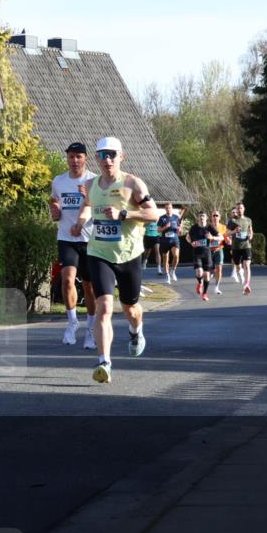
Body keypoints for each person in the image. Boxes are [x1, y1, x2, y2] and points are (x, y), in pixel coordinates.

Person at [73, 137, 159, 384]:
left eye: (112, 155)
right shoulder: (90, 184)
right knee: (104, 308)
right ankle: (104, 362)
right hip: (99, 253)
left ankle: (136, 330)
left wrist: (124, 213)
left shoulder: (133, 183)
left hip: (128, 254)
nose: (107, 160)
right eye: (102, 155)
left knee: (130, 308)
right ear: (97, 159)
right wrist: (81, 221)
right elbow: (88, 205)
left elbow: (153, 214)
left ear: (122, 156)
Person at [49, 142, 98, 348]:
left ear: (85, 158)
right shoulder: (59, 181)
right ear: (67, 158)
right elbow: (54, 200)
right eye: (71, 156)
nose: (75, 160)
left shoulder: (94, 180)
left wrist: (88, 198)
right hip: (66, 237)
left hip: (89, 239)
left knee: (89, 285)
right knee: (67, 280)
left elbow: (101, 207)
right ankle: (72, 322)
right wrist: (55, 210)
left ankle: (91, 329)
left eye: (79, 156)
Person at [186, 211, 219, 301]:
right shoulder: (194, 228)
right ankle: (199, 283)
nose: (201, 218)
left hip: (207, 254)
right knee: (199, 273)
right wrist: (191, 242)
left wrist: (212, 238)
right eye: (200, 216)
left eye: (203, 216)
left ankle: (204, 294)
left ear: (206, 218)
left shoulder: (209, 227)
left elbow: (221, 237)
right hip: (197, 253)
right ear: (198, 218)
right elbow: (187, 237)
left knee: (207, 275)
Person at [227, 202, 254, 295]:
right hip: (236, 247)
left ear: (244, 209)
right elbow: (227, 233)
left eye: (241, 208)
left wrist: (250, 236)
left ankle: (246, 285)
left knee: (247, 265)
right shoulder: (232, 221)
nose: (239, 210)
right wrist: (234, 231)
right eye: (238, 208)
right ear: (236, 210)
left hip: (246, 246)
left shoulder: (248, 220)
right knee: (238, 266)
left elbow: (251, 231)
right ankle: (240, 274)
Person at [157, 203, 185, 284]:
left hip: (174, 240)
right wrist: (166, 227)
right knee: (165, 259)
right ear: (165, 209)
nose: (168, 209)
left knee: (176, 256)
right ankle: (167, 275)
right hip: (165, 241)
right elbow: (158, 230)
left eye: (169, 208)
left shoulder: (176, 217)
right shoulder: (162, 218)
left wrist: (180, 229)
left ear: (172, 208)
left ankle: (172, 271)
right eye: (167, 208)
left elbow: (180, 230)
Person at [209, 209, 229, 295]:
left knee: (219, 269)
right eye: (213, 215)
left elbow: (226, 238)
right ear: (211, 217)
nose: (215, 217)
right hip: (209, 251)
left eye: (216, 215)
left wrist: (228, 241)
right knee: (210, 270)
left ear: (219, 217)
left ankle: (216, 287)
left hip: (219, 249)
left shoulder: (223, 227)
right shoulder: (208, 227)